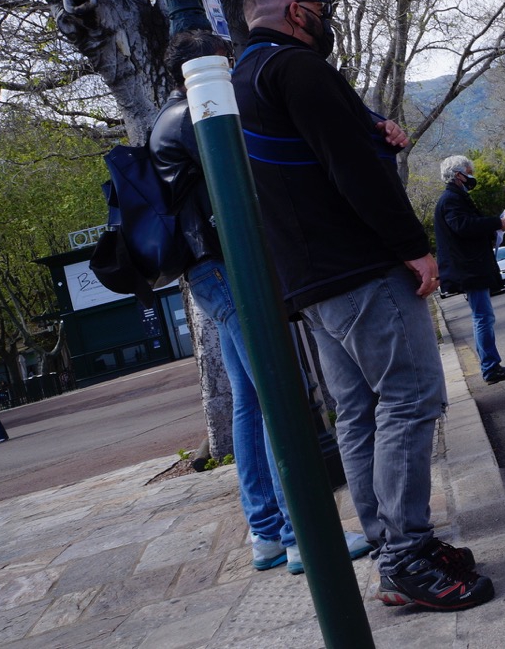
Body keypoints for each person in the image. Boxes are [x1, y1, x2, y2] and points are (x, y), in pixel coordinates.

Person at [232, 0, 493, 611]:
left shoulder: (244, 80)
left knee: (358, 412)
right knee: (410, 397)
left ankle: (391, 549)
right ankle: (406, 554)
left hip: (312, 283)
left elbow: (312, 158)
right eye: (320, 9)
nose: (326, 19)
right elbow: (347, 168)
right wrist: (412, 245)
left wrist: (374, 128)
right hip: (360, 268)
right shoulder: (298, 69)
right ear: (298, 12)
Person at [151, 29, 373, 575]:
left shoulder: (167, 119)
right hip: (228, 271)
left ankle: (267, 533)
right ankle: (304, 536)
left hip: (208, 273)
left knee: (251, 400)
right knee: (281, 391)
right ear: (202, 67)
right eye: (224, 62)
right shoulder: (196, 117)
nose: (231, 72)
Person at [434, 155, 505, 385]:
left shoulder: (454, 198)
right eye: (468, 171)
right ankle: (491, 367)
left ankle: (490, 365)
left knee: (482, 316)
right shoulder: (452, 199)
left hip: (469, 267)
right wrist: (495, 223)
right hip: (469, 268)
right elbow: (463, 226)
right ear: (458, 176)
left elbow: (465, 228)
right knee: (483, 316)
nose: (471, 174)